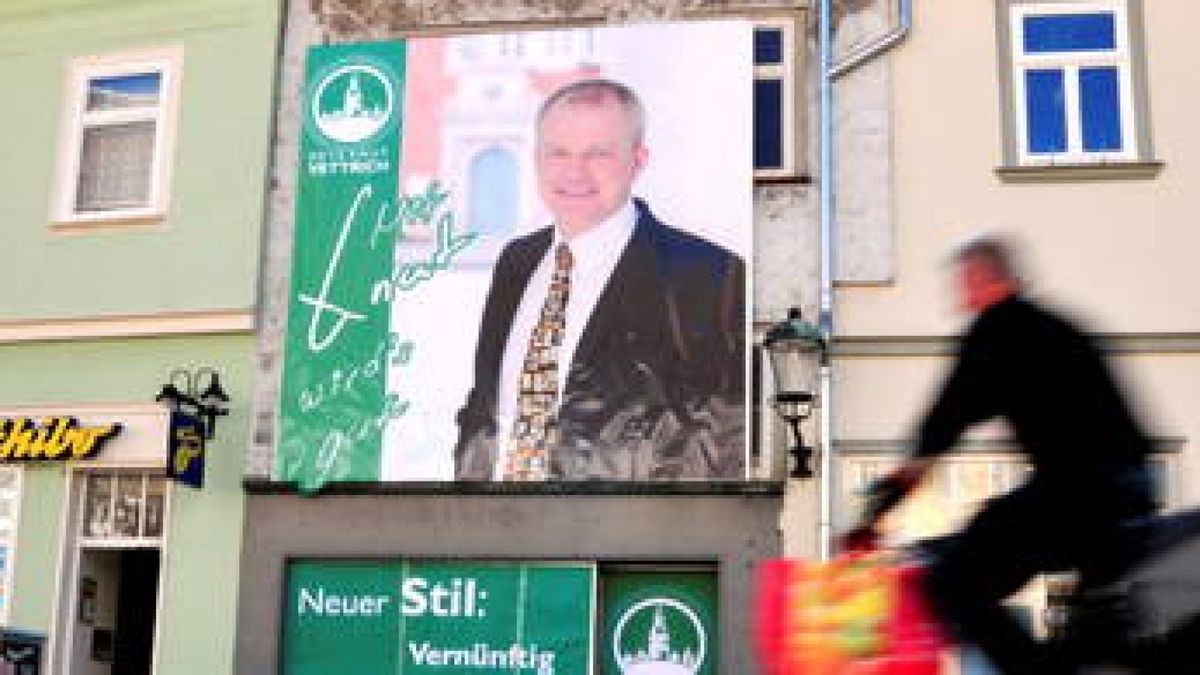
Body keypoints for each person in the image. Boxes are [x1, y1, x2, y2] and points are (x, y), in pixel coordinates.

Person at [849, 236, 1156, 674]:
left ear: (987, 279)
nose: (962, 300)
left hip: (1079, 492)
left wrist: (876, 514)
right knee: (1089, 624)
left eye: (965, 285)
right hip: (1131, 489)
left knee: (953, 580)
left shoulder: (997, 331)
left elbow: (940, 428)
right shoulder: (1062, 327)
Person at [454, 79, 745, 481]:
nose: (575, 171)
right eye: (558, 152)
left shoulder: (708, 274)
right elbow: (485, 407)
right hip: (492, 528)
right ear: (537, 158)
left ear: (638, 161)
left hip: (623, 534)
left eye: (599, 154)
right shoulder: (516, 263)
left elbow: (726, 430)